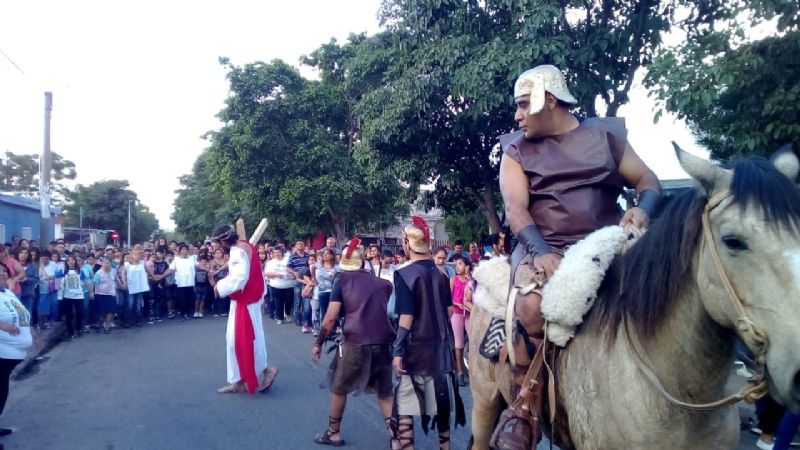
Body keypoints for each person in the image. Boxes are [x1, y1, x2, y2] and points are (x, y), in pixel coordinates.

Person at [493, 64, 661, 447]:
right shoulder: (515, 150)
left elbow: (647, 180)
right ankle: (524, 404)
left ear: (549, 100)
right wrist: (542, 252)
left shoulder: (607, 136)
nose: (517, 115)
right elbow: (516, 211)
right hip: (541, 247)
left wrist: (643, 208)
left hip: (606, 247)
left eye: (524, 104)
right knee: (531, 306)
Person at [311, 238, 396, 447]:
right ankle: (397, 439)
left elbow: (330, 318)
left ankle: (333, 433)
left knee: (339, 386)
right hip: (383, 341)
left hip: (355, 341)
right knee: (385, 392)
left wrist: (318, 342)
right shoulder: (383, 284)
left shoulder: (341, 280)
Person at [392, 216, 465, 450]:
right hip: (440, 348)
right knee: (441, 404)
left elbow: (406, 317)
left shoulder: (405, 274)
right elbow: (450, 311)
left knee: (405, 405)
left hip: (415, 349)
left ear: (407, 243)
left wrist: (397, 351)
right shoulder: (442, 274)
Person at [211, 225, 278, 394]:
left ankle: (267, 370)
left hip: (246, 302)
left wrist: (219, 286)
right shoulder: (246, 246)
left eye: (218, 243)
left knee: (244, 340)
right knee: (236, 341)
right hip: (247, 300)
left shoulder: (237, 252)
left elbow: (240, 277)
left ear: (223, 241)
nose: (218, 246)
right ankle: (238, 380)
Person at [0, 263, 35, 437]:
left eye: (4, 271)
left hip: (12, 353)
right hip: (2, 350)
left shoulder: (7, 293)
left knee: (2, 390)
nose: (2, 274)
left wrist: (31, 330)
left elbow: (22, 313)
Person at [449, 255, 474, 387]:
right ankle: (459, 372)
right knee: (458, 343)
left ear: (467, 266)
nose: (457, 267)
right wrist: (457, 304)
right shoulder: (453, 279)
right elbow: (448, 298)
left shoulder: (473, 281)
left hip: (470, 314)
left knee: (473, 341)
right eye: (456, 264)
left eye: (460, 264)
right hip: (457, 313)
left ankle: (474, 370)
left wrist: (469, 276)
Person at [264, 246, 294, 325]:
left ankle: (287, 314)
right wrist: (275, 274)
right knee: (278, 302)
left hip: (289, 285)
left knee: (289, 300)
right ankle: (279, 318)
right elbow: (267, 274)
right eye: (275, 252)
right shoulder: (270, 263)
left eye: (278, 252)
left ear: (282, 252)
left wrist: (291, 273)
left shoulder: (288, 260)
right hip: (276, 285)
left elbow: (293, 269)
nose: (277, 254)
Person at [122, 249, 150, 328]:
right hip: (131, 287)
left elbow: (148, 271)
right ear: (132, 255)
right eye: (135, 254)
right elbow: (123, 274)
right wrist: (124, 283)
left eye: (138, 254)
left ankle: (138, 320)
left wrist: (152, 277)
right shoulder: (127, 264)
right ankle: (127, 321)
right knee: (130, 304)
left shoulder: (142, 263)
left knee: (138, 304)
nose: (137, 256)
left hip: (140, 287)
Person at [61, 255, 87, 340]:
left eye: (72, 260)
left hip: (79, 295)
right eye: (69, 260)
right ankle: (70, 332)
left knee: (80, 313)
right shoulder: (63, 271)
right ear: (66, 262)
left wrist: (91, 291)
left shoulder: (79, 271)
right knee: (69, 315)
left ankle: (78, 328)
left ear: (75, 261)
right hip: (67, 296)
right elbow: (56, 277)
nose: (71, 262)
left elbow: (86, 281)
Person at [288, 240, 310, 326]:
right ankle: (297, 317)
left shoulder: (308, 255)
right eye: (298, 244)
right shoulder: (292, 256)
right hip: (297, 280)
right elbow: (288, 268)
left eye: (302, 244)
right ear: (296, 246)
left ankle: (305, 319)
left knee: (306, 300)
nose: (300, 245)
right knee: (297, 300)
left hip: (307, 280)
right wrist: (294, 272)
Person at [93, 258, 118, 334]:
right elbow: (94, 283)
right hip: (100, 294)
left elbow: (116, 279)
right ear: (102, 264)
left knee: (111, 310)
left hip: (111, 294)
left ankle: (107, 326)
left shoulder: (113, 271)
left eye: (108, 263)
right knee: (99, 311)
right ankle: (98, 323)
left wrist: (121, 286)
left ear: (111, 264)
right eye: (105, 263)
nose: (107, 264)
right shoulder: (98, 273)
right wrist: (91, 292)